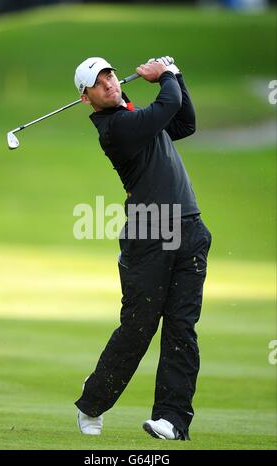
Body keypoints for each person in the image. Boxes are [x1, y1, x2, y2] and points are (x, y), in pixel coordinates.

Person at [73, 56, 212, 440]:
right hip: (149, 234)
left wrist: (177, 76)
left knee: (182, 327)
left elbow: (184, 121)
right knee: (139, 326)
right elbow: (166, 107)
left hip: (190, 227)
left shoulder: (137, 116)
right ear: (87, 99)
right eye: (98, 84)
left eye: (111, 76)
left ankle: (171, 419)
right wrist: (166, 75)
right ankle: (93, 402)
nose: (110, 84)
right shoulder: (115, 128)